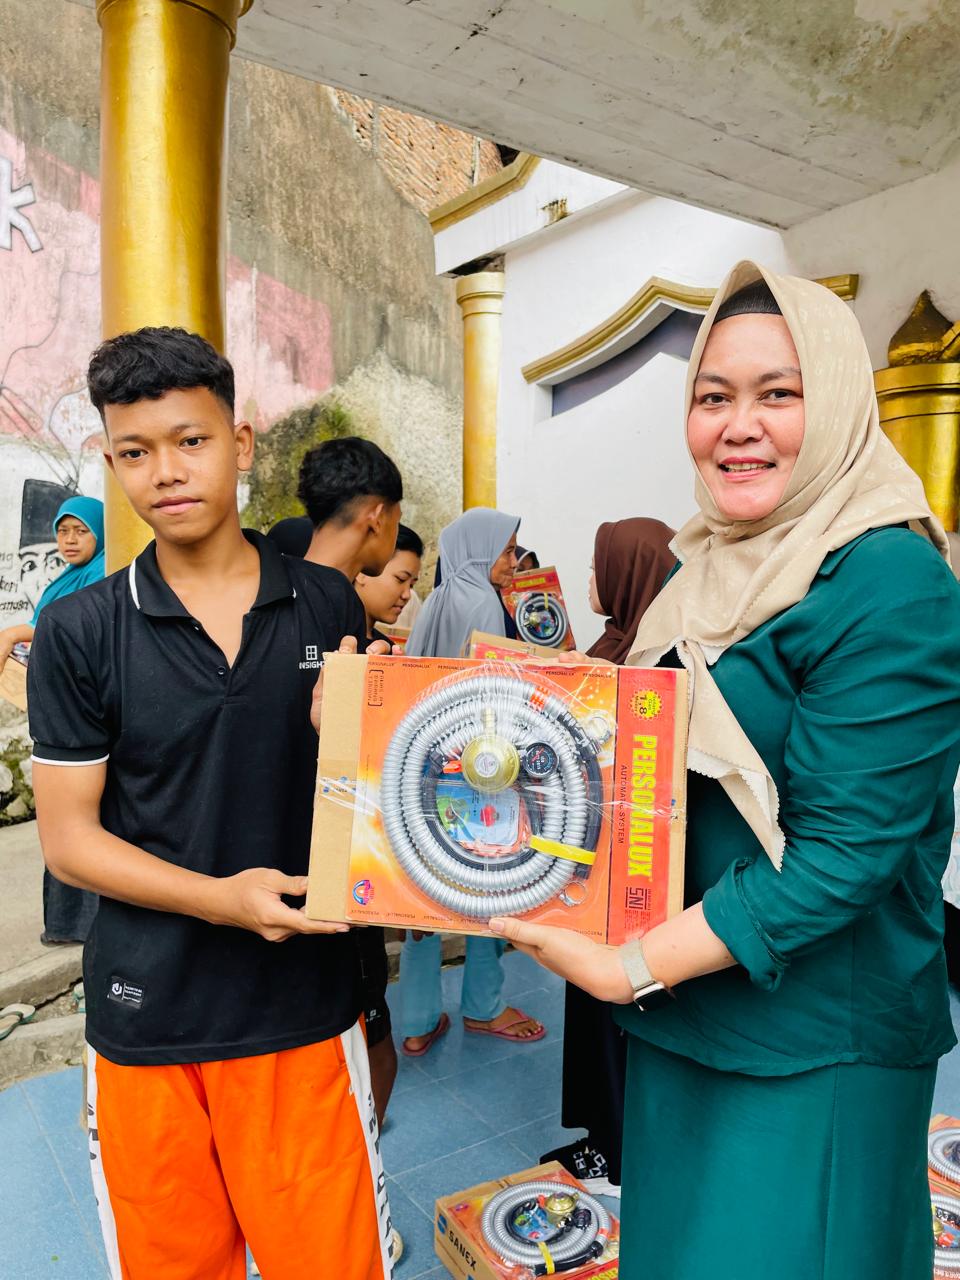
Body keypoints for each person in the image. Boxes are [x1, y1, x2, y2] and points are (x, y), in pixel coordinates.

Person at [491, 264, 960, 1280]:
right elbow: (638, 747)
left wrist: (629, 966)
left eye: (777, 393)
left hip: (813, 1042)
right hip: (688, 1014)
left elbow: (844, 860)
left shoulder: (889, 580)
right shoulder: (702, 566)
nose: (738, 426)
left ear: (837, 402)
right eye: (714, 396)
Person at [28, 327, 395, 1280]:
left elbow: (363, 800)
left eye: (190, 440)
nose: (165, 472)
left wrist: (353, 736)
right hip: (147, 1017)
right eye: (134, 452)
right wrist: (222, 900)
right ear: (112, 461)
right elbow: (69, 842)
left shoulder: (328, 603)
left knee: (334, 1266)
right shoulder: (79, 629)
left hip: (304, 1009)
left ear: (242, 443)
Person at [543, 517, 676, 1190]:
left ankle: (620, 1155)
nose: (591, 579)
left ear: (627, 573)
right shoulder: (617, 643)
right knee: (594, 1009)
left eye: (601, 567)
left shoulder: (658, 658)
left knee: (617, 1012)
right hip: (590, 864)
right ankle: (605, 1139)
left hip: (625, 874)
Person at [399, 507, 546, 1055]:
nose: (512, 562)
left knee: (422, 897)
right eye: (505, 551)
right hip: (482, 767)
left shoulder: (438, 599)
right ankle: (483, 1007)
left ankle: (417, 1021)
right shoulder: (485, 602)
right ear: (481, 551)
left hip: (428, 766)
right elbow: (497, 691)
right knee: (490, 884)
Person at [291, 435, 405, 1130]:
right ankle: (364, 1167)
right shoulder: (338, 601)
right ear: (377, 515)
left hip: (272, 860)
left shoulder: (266, 582)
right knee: (366, 1034)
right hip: (335, 856)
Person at [0, 494, 106, 945]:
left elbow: (78, 628)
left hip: (87, 716)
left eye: (81, 531)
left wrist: (17, 632)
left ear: (101, 533)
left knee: (82, 818)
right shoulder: (63, 580)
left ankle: (87, 925)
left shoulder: (103, 573)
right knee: (63, 820)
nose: (69, 539)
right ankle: (66, 925)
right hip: (58, 712)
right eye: (63, 531)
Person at [355, 523, 423, 646]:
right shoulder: (328, 638)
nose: (407, 595)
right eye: (401, 579)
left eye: (411, 585)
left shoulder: (389, 649)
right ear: (362, 572)